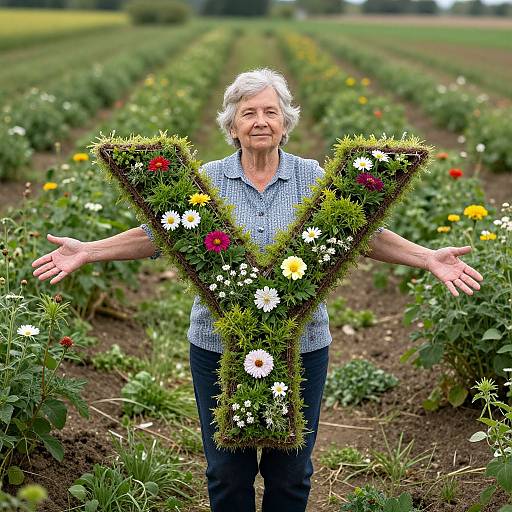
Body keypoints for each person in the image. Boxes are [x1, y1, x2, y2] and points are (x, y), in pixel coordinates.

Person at [32, 68, 483, 512]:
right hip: (217, 344)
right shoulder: (206, 179)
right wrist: (89, 250)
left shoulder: (314, 177)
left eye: (271, 111)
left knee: (292, 471)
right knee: (227, 471)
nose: (260, 121)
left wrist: (426, 257)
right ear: (232, 125)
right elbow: (156, 233)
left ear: (286, 122)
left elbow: (362, 232)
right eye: (248, 113)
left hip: (302, 345)